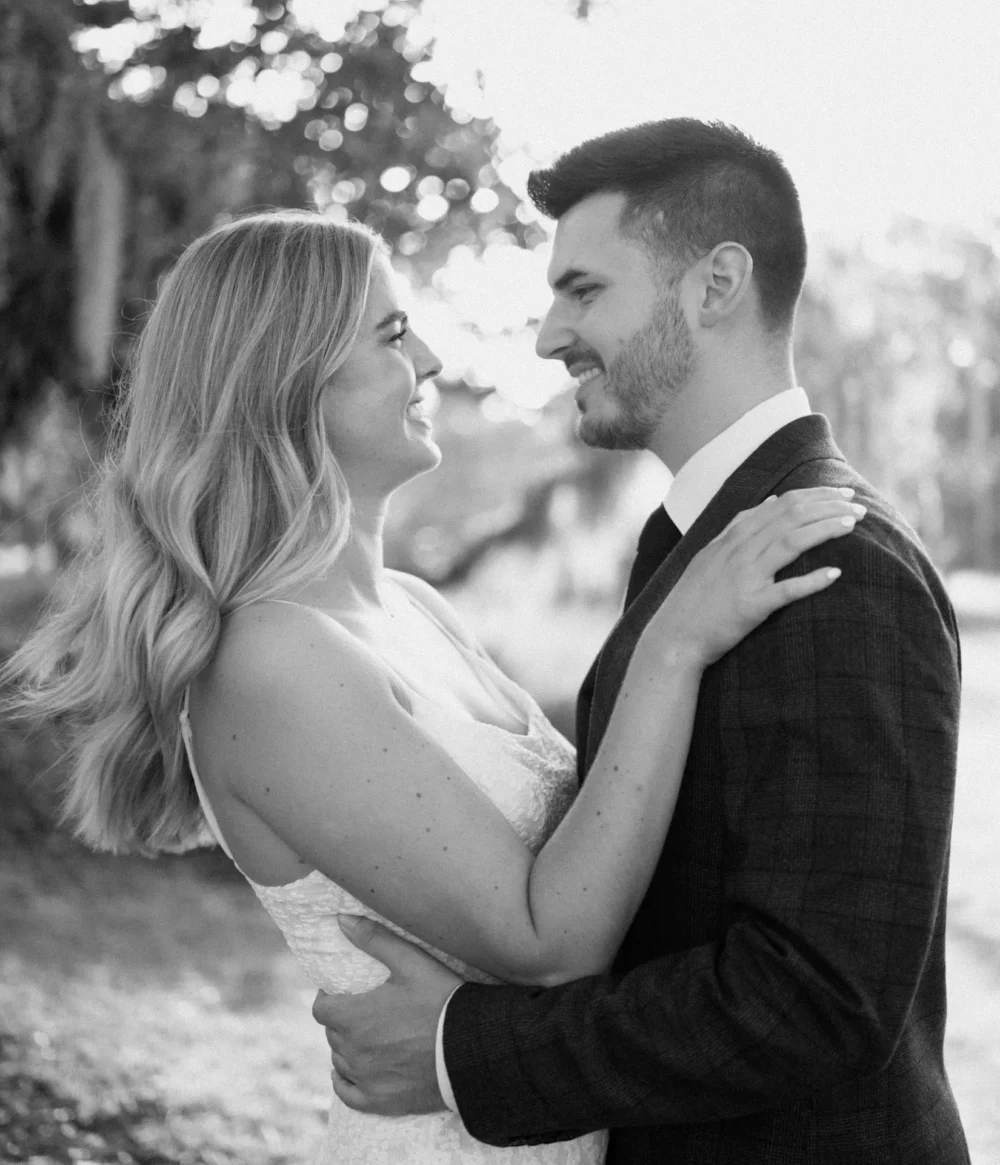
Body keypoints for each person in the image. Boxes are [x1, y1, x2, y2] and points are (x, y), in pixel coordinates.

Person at [4, 207, 861, 1165]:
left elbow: (603, 848)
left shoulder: (414, 608)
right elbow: (551, 941)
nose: (436, 360)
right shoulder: (272, 660)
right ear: (290, 381)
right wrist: (673, 645)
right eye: (394, 333)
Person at [311, 120, 970, 1164]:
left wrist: (462, 1052)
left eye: (583, 290)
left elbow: (819, 998)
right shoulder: (699, 543)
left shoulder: (834, 566)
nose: (544, 336)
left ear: (713, 286)